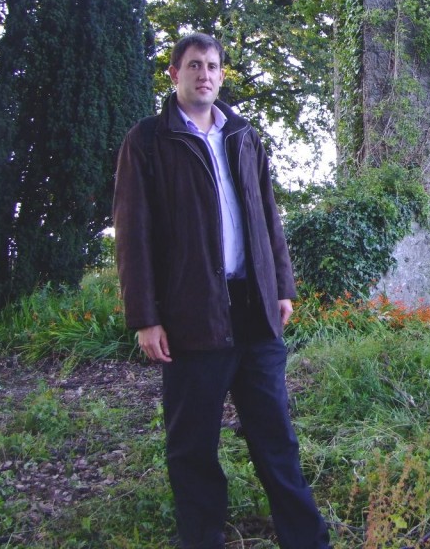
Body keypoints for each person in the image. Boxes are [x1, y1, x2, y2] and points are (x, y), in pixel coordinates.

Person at [113, 32, 331, 549]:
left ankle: (307, 541)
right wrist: (145, 316)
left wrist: (282, 285)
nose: (204, 74)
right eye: (193, 66)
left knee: (276, 439)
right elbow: (132, 234)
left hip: (254, 311)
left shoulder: (243, 135)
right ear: (174, 74)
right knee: (192, 448)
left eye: (212, 66)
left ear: (222, 74)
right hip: (191, 318)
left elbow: (267, 216)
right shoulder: (148, 142)